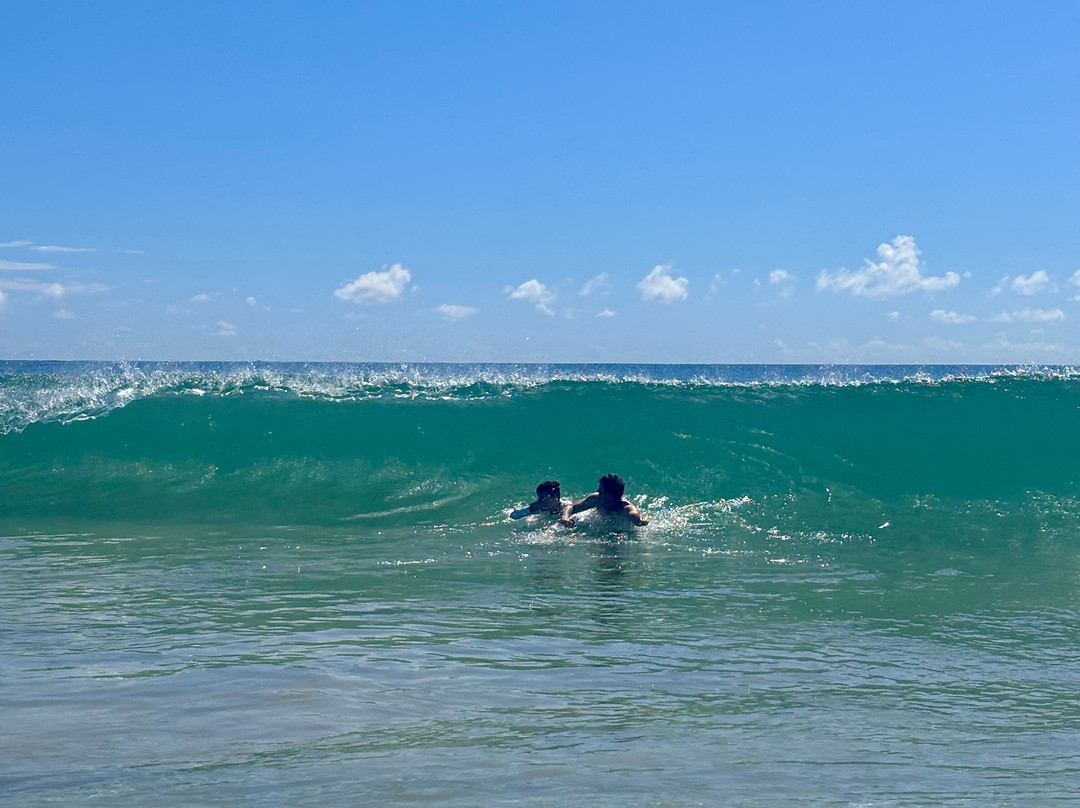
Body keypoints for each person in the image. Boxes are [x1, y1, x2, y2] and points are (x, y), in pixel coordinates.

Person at [560, 474, 649, 527]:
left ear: (608, 496)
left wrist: (638, 521)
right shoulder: (596, 499)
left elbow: (633, 513)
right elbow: (571, 506)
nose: (597, 491)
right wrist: (565, 517)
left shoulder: (624, 507)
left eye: (600, 490)